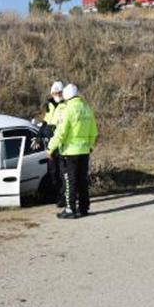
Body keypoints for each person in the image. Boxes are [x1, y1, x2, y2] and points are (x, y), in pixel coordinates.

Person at [47, 84, 98, 219]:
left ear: (66, 95)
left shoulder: (68, 109)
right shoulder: (87, 108)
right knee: (82, 180)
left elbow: (61, 132)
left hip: (70, 152)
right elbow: (94, 131)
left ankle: (70, 209)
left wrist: (50, 148)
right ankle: (84, 208)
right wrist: (90, 146)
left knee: (70, 180)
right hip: (85, 151)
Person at [39, 81, 66, 207]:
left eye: (59, 92)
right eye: (54, 93)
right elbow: (46, 121)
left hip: (61, 145)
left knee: (62, 173)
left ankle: (64, 198)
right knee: (53, 173)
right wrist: (39, 134)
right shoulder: (49, 105)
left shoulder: (66, 104)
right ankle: (57, 196)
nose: (56, 95)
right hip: (50, 145)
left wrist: (53, 129)